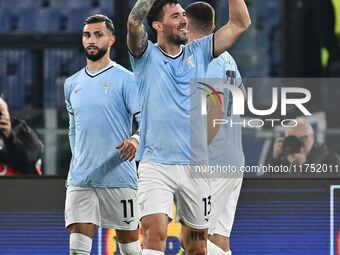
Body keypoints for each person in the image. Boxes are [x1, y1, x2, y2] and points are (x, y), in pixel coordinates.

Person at [127, 1, 250, 254]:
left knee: (197, 245)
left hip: (196, 167)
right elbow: (133, 24)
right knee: (155, 234)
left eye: (184, 15)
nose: (184, 20)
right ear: (158, 25)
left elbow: (240, 23)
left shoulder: (203, 51)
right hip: (156, 164)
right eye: (176, 16)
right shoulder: (145, 55)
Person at [64, 14, 142, 255]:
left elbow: (147, 121)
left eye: (99, 35)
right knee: (77, 250)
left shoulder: (127, 80)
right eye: (87, 35)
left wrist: (136, 140)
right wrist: (79, 159)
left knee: (130, 250)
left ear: (111, 39)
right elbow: (73, 128)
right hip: (81, 180)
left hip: (118, 177)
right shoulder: (71, 83)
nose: (92, 40)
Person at [186, 2, 246, 255]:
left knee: (191, 239)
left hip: (213, 161)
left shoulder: (204, 57)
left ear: (184, 25)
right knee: (218, 238)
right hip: (234, 158)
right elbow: (241, 95)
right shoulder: (227, 56)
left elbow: (216, 108)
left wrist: (199, 155)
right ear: (212, 27)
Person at [270, 121, 340, 174]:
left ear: (312, 137)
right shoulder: (283, 159)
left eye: (303, 138)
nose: (298, 143)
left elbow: (326, 188)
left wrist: (303, 165)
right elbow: (265, 187)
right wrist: (275, 160)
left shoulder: (330, 159)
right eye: (293, 139)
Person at [0, 96, 43, 176]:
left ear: (7, 110)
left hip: (19, 185)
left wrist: (9, 137)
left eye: (0, 111)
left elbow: (30, 161)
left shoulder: (21, 130)